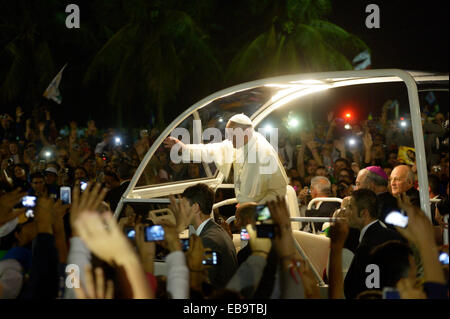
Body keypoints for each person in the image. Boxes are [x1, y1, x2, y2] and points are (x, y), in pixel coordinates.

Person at [164, 114, 288, 204]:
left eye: (232, 135)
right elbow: (209, 150)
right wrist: (184, 148)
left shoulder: (264, 152)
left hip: (265, 215)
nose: (229, 139)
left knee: (262, 241)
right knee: (247, 240)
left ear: (247, 133)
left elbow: (279, 190)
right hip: (246, 212)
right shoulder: (237, 144)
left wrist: (255, 209)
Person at [342, 189, 404, 299]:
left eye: (350, 207)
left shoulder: (368, 246)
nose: (345, 211)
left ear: (364, 213)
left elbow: (364, 289)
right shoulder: (393, 236)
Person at [178, 183, 238, 289]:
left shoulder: (207, 241)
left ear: (195, 207)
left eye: (183, 206)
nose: (180, 211)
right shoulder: (217, 230)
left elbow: (203, 286)